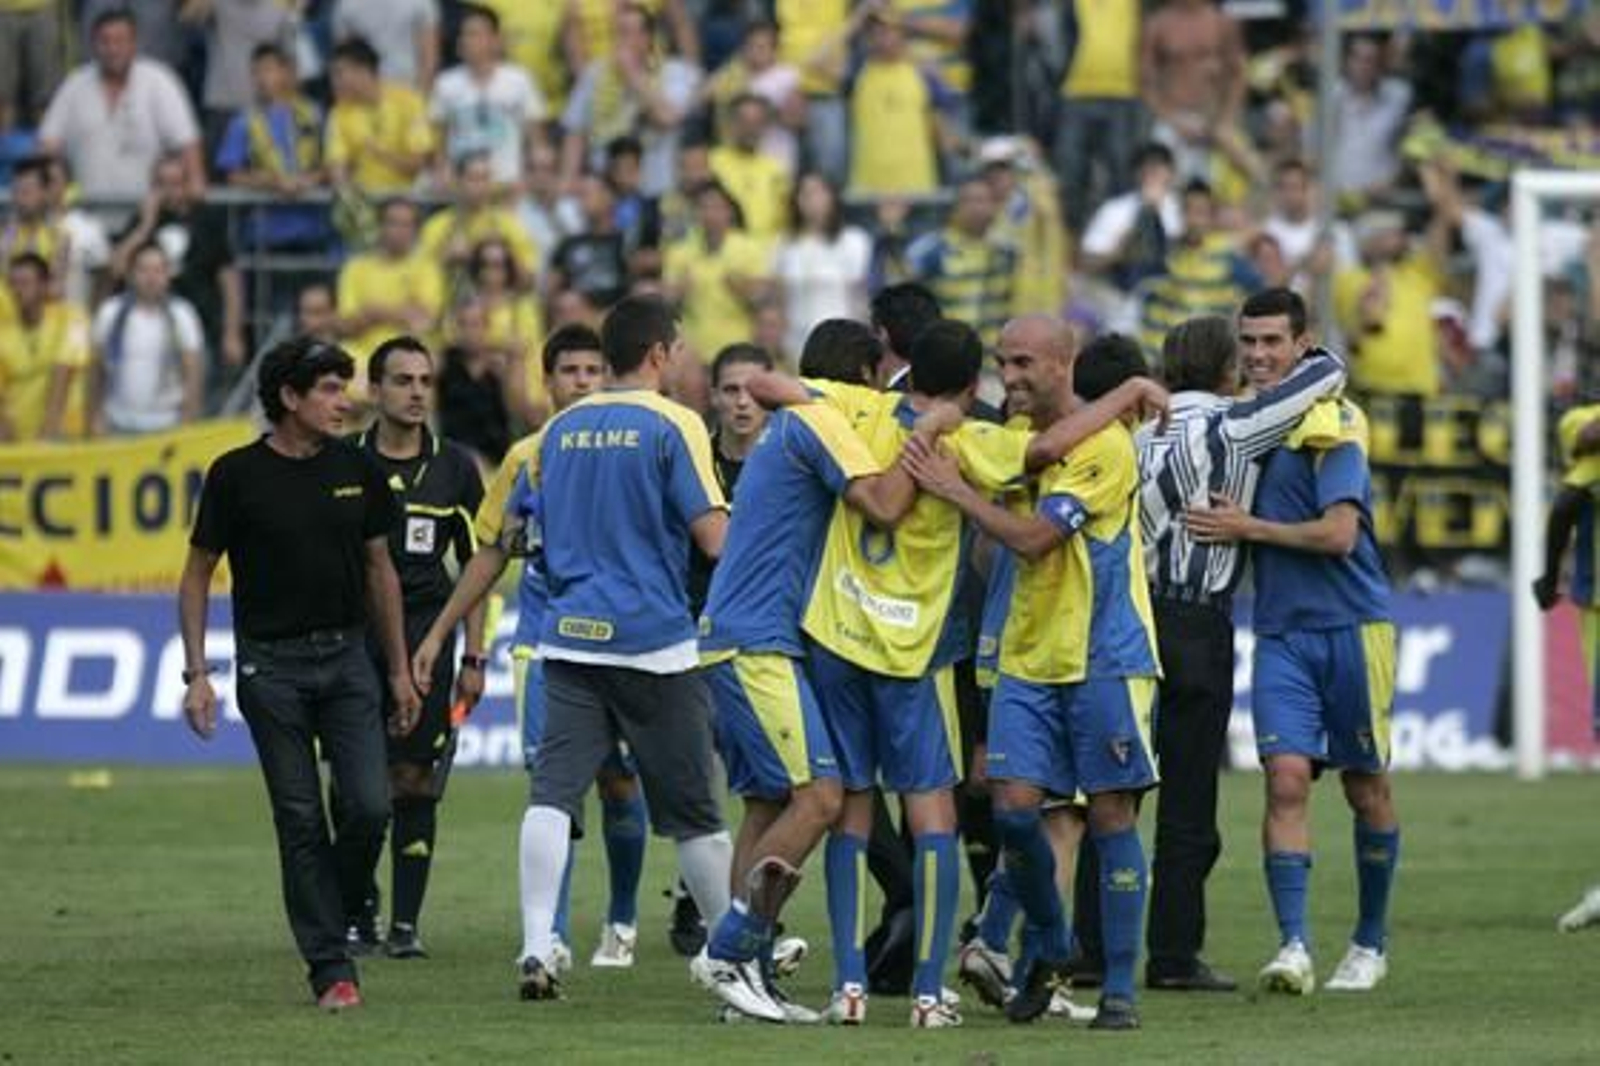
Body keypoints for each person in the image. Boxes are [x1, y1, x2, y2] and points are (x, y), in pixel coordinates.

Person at [749, 317, 1125, 1028]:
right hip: (912, 653)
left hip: (836, 634)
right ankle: (926, 994)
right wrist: (1132, 389)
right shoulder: (973, 439)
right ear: (972, 383)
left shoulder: (856, 408)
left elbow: (767, 384)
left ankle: (850, 990)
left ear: (899, 367)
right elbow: (1052, 446)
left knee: (853, 811)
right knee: (933, 818)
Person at [415, 296, 732, 1001]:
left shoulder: (556, 436)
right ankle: (731, 953)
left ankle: (537, 944)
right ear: (657, 355)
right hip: (653, 644)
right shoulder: (675, 423)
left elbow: (504, 545)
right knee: (694, 814)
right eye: (674, 352)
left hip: (565, 640)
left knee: (552, 796)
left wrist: (440, 632)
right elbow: (714, 540)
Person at [900, 316, 1164, 1032]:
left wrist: (958, 493)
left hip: (1104, 658)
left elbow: (1035, 540)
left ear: (1063, 362)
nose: (1009, 375)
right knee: (1014, 812)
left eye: (1023, 362)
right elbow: (938, 426)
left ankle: (1117, 990)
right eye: (1000, 362)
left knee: (1109, 815)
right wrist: (947, 417)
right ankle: (1049, 944)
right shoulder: (1008, 442)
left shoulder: (1106, 448)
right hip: (1025, 659)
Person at [692, 323, 941, 1023]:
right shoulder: (819, 421)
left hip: (740, 634)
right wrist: (937, 429)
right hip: (756, 642)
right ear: (865, 373)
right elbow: (887, 506)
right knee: (822, 799)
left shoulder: (787, 423)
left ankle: (749, 984)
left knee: (769, 806)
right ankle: (730, 949)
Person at [177, 336, 419, 1011]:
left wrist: (398, 671)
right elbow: (197, 572)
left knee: (371, 807)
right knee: (299, 816)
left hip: (348, 661)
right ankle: (330, 966)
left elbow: (382, 572)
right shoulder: (235, 475)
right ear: (289, 398)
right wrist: (197, 673)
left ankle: (328, 909)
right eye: (330, 389)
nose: (346, 401)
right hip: (269, 667)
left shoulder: (358, 470)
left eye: (346, 387)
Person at [1187, 293, 1402, 996]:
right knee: (1283, 780)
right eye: (1247, 343)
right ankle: (1294, 947)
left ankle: (1369, 944)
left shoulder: (1330, 421)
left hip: (1351, 627)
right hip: (1280, 632)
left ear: (1304, 344)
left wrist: (1249, 529)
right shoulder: (1244, 425)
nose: (1257, 356)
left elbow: (1339, 535)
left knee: (1366, 787)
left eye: (1272, 342)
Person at [1131, 302, 1346, 992]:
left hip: (1128, 621)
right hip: (1197, 623)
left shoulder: (1137, 433)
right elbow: (1328, 372)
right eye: (1243, 352)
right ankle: (1171, 955)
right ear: (1228, 368)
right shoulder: (1233, 426)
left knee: (1110, 798)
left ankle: (1085, 946)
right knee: (1188, 804)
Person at [338, 336, 487, 960]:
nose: (417, 391)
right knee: (353, 784)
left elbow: (481, 564)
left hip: (428, 637)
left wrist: (473, 658)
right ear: (376, 390)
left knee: (413, 776)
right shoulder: (341, 461)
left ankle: (405, 925)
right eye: (403, 380)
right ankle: (354, 911)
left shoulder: (455, 467)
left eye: (425, 380)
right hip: (352, 641)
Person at [1532, 402, 1600, 930]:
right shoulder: (1580, 421)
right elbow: (1570, 494)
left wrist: (1546, 573)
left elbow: (1565, 504)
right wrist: (1549, 571)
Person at [39, 8, 204, 216]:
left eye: (120, 41)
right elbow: (48, 146)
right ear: (93, 45)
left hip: (148, 217)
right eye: (105, 41)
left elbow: (187, 143)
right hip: (86, 216)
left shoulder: (160, 81)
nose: (112, 49)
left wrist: (196, 185)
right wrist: (53, 186)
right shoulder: (74, 85)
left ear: (134, 44)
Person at [90, 241, 205, 435]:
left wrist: (188, 422)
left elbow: (193, 373)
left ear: (169, 274)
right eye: (143, 270)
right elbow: (96, 371)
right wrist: (94, 417)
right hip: (117, 420)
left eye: (158, 270)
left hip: (167, 423)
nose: (151, 278)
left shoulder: (183, 314)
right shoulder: (110, 312)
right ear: (131, 274)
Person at [429, 3, 548, 188]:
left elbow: (537, 142)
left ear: (495, 39)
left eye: (475, 34)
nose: (467, 40)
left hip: (508, 184)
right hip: (463, 187)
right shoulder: (445, 84)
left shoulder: (519, 80)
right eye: (464, 35)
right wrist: (441, 173)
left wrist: (534, 177)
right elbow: (439, 141)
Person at [0, 253, 91, 442]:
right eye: (12, 283)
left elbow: (63, 374)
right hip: (19, 441)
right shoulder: (4, 334)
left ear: (44, 286)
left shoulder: (74, 318)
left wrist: (47, 436)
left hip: (64, 437)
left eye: (24, 283)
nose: (16, 290)